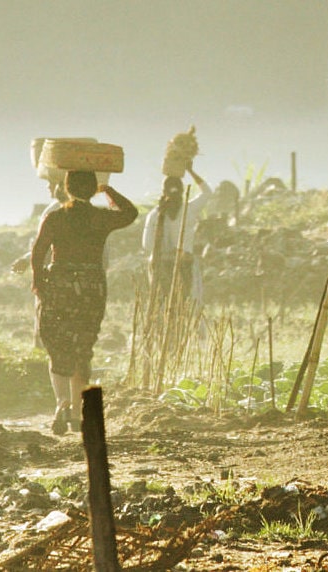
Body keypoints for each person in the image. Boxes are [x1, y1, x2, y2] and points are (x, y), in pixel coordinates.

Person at [30, 170, 139, 435]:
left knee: (57, 344)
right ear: (92, 190)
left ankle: (61, 402)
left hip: (60, 285)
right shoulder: (99, 217)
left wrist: (40, 282)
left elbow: (38, 251)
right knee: (83, 345)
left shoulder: (55, 217)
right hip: (91, 288)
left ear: (66, 189)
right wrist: (108, 191)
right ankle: (78, 413)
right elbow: (131, 213)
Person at [142, 170, 213, 303]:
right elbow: (207, 192)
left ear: (164, 193)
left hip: (175, 264)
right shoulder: (188, 209)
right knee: (180, 303)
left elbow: (147, 245)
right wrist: (190, 171)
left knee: (171, 303)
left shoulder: (155, 215)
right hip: (172, 264)